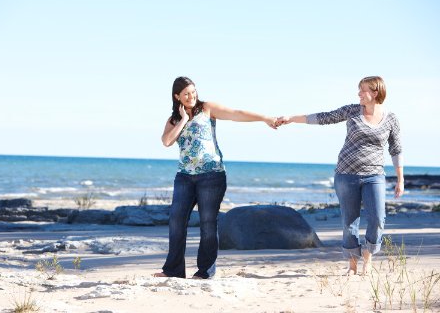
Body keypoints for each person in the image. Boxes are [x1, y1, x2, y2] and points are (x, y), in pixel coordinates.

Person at [276, 76, 404, 276]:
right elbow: (325, 117)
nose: (359, 94)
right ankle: (352, 264)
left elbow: (395, 149)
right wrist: (291, 118)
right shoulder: (352, 111)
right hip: (346, 175)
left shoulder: (391, 118)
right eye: (359, 90)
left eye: (363, 90)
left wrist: (400, 179)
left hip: (374, 175)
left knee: (378, 218)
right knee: (349, 221)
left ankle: (368, 258)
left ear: (375, 92)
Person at [154, 76, 277, 279]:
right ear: (177, 96)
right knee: (176, 221)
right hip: (184, 177)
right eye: (186, 94)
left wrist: (264, 118)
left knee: (208, 224)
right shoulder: (174, 119)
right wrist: (184, 119)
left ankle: (205, 271)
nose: (191, 96)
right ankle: (173, 270)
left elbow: (236, 113)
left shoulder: (207, 108)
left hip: (211, 176)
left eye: (193, 92)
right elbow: (166, 141)